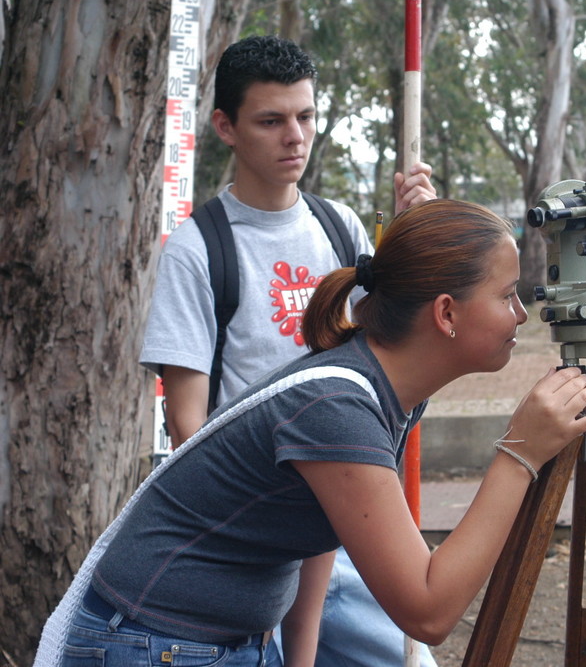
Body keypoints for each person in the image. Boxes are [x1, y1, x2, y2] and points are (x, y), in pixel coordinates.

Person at [39, 199, 586, 667]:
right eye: (507, 296)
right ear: (447, 314)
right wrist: (519, 455)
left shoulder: (386, 389)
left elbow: (313, 535)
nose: (522, 316)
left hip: (209, 640)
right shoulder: (338, 405)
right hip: (149, 642)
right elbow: (427, 611)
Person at [138, 35, 437, 666]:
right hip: (251, 541)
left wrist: (419, 237)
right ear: (226, 126)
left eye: (304, 116)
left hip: (344, 527)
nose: (294, 136)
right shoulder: (199, 250)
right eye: (271, 121)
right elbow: (187, 421)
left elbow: (392, 359)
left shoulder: (342, 229)